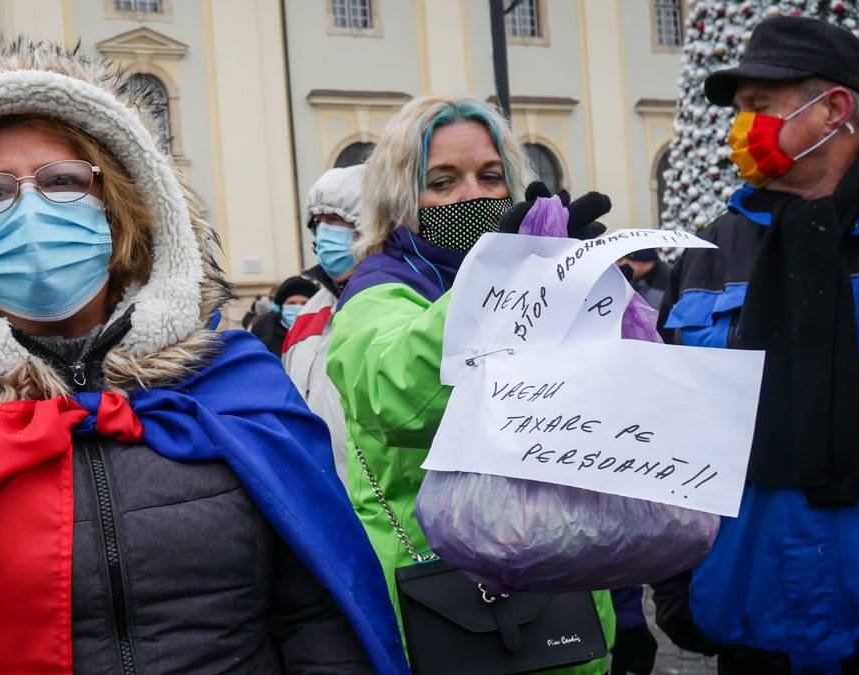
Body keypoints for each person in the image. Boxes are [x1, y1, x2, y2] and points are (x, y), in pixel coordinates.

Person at [0, 41, 406, 674]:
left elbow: (316, 611)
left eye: (62, 181)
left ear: (119, 209)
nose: (31, 209)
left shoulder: (236, 381)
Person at [665, 16, 859, 673]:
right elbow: (669, 436)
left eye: (759, 108)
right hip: (754, 636)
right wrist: (678, 597)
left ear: (833, 109)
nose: (739, 129)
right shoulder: (713, 247)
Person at [324, 95, 616, 673]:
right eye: (442, 181)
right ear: (404, 198)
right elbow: (398, 398)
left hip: (563, 596)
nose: (473, 196)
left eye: (490, 176)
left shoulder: (542, 282)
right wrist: (499, 289)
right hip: (445, 612)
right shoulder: (378, 292)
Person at [281, 164, 365, 484]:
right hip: (317, 491)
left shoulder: (402, 299)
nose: (324, 232)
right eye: (318, 222)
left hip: (381, 508)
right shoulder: (307, 314)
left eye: (335, 220)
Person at [248, 274, 317, 356]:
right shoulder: (263, 326)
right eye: (292, 303)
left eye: (304, 303)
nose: (298, 307)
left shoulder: (323, 330)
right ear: (282, 306)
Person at [617, 247, 670, 312]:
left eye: (625, 260)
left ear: (640, 263)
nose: (621, 264)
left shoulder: (662, 286)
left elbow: (649, 315)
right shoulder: (639, 276)